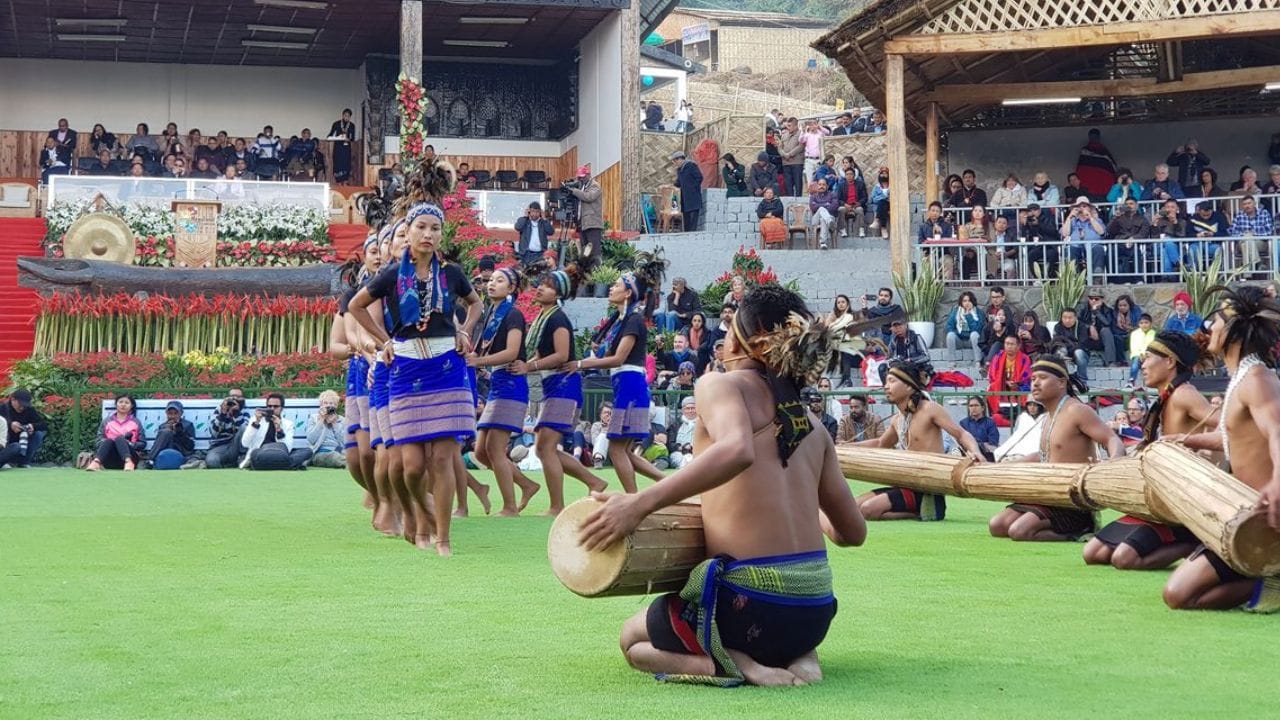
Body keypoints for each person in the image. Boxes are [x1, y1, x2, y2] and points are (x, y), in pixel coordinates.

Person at [580, 284, 865, 687]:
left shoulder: (720, 385)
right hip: (815, 612)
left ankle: (738, 665)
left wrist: (639, 503)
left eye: (728, 327)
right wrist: (803, 503)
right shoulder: (814, 426)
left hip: (750, 609)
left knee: (632, 641)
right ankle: (801, 657)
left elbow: (737, 450)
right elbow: (853, 533)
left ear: (742, 340)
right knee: (783, 623)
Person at [1165, 286, 1280, 611]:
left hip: (1264, 517)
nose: (1208, 327)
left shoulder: (1257, 380)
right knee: (1178, 595)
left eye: (1215, 321)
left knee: (1179, 595)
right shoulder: (1242, 379)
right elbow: (1235, 438)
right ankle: (1263, 576)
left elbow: (1277, 432)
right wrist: (1185, 440)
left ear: (1233, 332)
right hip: (1240, 510)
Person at [988, 357, 1125, 541]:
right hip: (1047, 493)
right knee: (997, 525)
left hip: (1071, 500)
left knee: (1019, 531)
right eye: (1033, 378)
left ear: (1061, 383)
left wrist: (1112, 463)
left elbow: (1112, 438)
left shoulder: (1077, 410)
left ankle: (1083, 529)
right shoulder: (1047, 417)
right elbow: (1045, 455)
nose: (1035, 383)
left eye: (1042, 378)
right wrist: (999, 466)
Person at [515, 264, 608, 515]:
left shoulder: (557, 318)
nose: (540, 288)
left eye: (547, 286)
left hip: (564, 385)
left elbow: (561, 355)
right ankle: (593, 482)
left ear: (558, 294)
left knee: (545, 447)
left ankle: (557, 505)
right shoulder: (545, 318)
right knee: (544, 447)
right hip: (554, 385)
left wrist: (529, 366)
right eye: (541, 283)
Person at [570, 260, 669, 493]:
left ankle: (633, 499)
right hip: (628, 387)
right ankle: (667, 483)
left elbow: (618, 359)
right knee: (622, 450)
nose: (611, 288)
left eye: (616, 285)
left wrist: (581, 363)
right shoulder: (623, 319)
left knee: (616, 450)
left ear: (627, 293)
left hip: (630, 388)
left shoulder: (633, 320)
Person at [856, 360, 984, 520]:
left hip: (926, 488)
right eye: (886, 381)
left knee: (868, 509)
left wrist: (976, 452)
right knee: (856, 506)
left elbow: (961, 434)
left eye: (892, 381)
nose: (886, 386)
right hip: (906, 484)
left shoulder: (929, 409)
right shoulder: (898, 419)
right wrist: (844, 447)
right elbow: (880, 443)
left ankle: (921, 512)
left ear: (909, 386)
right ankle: (915, 512)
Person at [467, 267, 540, 516]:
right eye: (490, 280)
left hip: (510, 385)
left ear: (511, 289)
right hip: (498, 382)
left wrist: (478, 362)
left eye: (500, 281)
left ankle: (510, 506)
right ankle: (526, 484)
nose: (491, 284)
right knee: (481, 452)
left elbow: (512, 352)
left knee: (495, 450)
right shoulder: (492, 314)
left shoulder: (513, 315)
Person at [240, 394, 312, 470]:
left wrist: (279, 429)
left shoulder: (288, 424)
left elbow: (288, 448)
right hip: (261, 454)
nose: (272, 409)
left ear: (282, 408)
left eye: (276, 406)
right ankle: (288, 465)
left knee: (307, 451)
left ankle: (275, 465)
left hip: (280, 454)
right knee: (255, 453)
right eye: (269, 406)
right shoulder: (257, 420)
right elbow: (245, 443)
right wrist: (255, 424)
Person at [86, 395, 145, 472]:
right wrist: (110, 442)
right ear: (116, 404)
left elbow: (142, 443)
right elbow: (98, 441)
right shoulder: (107, 421)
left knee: (120, 439)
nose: (123, 405)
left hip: (131, 456)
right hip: (110, 458)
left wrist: (129, 444)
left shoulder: (136, 422)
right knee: (109, 440)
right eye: (120, 402)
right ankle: (96, 462)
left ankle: (128, 462)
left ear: (131, 406)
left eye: (127, 403)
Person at [568, 165, 604, 268]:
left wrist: (573, 191)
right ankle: (588, 271)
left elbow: (588, 197)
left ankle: (596, 272)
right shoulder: (582, 185)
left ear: (588, 175)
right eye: (579, 177)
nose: (581, 179)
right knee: (585, 252)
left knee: (594, 251)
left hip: (593, 224)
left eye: (582, 176)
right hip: (584, 223)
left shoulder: (595, 185)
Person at [987, 334, 1031, 419]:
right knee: (991, 389)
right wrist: (1005, 382)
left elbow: (1027, 376)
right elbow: (992, 375)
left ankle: (1021, 414)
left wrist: (1017, 384)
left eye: (1012, 344)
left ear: (1018, 346)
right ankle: (997, 413)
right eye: (1007, 344)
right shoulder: (997, 357)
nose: (1009, 346)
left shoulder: (1025, 359)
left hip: (1019, 386)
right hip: (1002, 385)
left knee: (1026, 391)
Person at [0, 389, 47, 469]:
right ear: (13, 400)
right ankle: (5, 461)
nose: (22, 407)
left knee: (38, 434)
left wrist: (33, 426)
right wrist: (10, 424)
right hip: (6, 441)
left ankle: (24, 462)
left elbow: (43, 425)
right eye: (20, 404)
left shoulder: (29, 410)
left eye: (25, 405)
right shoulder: (3, 408)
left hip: (23, 439)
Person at [143, 401, 196, 470]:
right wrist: (168, 430)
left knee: (166, 432)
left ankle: (150, 459)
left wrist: (179, 432)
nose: (173, 416)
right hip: (165, 451)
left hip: (182, 451)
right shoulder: (162, 426)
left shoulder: (188, 425)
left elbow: (190, 447)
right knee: (165, 432)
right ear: (166, 413)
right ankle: (151, 459)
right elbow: (158, 445)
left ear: (181, 413)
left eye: (176, 413)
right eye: (170, 413)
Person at [1061, 196, 1107, 274]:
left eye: (1084, 206)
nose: (1082, 208)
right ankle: (1074, 276)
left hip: (1093, 245)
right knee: (1069, 250)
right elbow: (1065, 234)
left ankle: (1097, 275)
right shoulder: (1072, 221)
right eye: (1079, 206)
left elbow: (1101, 232)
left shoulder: (1096, 220)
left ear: (1089, 208)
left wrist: (1090, 218)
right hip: (1075, 246)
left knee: (1099, 249)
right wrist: (1069, 217)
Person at [1229, 195, 1275, 272]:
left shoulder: (1264, 213)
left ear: (1254, 203)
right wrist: (1245, 235)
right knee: (1247, 239)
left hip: (1260, 242)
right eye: (1245, 204)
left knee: (1247, 242)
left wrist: (1254, 234)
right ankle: (1258, 264)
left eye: (1249, 203)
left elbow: (1269, 230)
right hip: (1242, 241)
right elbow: (1232, 231)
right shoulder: (1239, 215)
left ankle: (1247, 275)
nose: (1247, 206)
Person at [878, 319, 930, 385]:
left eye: (900, 327)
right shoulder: (893, 341)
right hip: (899, 366)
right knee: (882, 367)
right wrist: (892, 361)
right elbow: (888, 357)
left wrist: (911, 360)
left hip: (915, 366)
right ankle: (889, 389)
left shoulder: (916, 337)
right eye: (895, 328)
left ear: (906, 325)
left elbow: (926, 356)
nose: (898, 330)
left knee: (907, 369)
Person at [994, 396, 1045, 461]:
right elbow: (1017, 434)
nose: (1032, 408)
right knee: (1000, 452)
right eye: (1030, 405)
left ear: (1040, 407)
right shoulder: (1022, 417)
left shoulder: (1045, 418)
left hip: (1036, 444)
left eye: (1035, 405)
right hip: (1021, 443)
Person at [305, 390, 347, 468]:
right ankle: (352, 465)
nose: (328, 406)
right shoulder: (314, 418)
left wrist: (335, 424)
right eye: (325, 403)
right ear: (321, 405)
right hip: (320, 452)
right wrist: (321, 421)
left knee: (352, 456)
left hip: (339, 451)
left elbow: (344, 443)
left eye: (331, 404)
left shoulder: (342, 420)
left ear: (336, 406)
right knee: (335, 457)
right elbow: (311, 439)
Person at [1077, 289, 1118, 365]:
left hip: (1101, 337)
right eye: (1091, 298)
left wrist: (1096, 312)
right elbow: (1078, 322)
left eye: (1096, 299)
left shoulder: (1108, 311)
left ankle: (1111, 361)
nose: (1093, 301)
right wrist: (1089, 327)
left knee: (1106, 331)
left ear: (1102, 300)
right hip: (1087, 336)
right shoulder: (1083, 309)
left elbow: (1107, 323)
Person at [1074, 127, 1117, 200]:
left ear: (1098, 137)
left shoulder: (1104, 151)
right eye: (1091, 136)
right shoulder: (1085, 151)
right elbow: (1080, 169)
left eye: (1095, 136)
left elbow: (1112, 169)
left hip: (1103, 187)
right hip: (1087, 187)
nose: (1093, 138)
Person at [205, 396, 247, 469]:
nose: (234, 400)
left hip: (237, 446)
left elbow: (245, 431)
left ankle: (242, 457)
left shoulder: (245, 411)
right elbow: (214, 433)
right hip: (219, 446)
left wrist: (236, 414)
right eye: (232, 397)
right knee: (212, 461)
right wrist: (223, 414)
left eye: (238, 397)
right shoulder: (219, 410)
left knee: (245, 427)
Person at [1052, 307, 1090, 386]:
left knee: (1078, 352)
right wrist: (1069, 347)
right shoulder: (1058, 327)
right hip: (1065, 353)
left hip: (1081, 354)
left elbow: (1082, 344)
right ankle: (1062, 380)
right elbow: (1057, 342)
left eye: (1070, 318)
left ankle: (1082, 381)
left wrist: (1069, 348)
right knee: (1059, 352)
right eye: (1065, 318)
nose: (1067, 320)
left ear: (1075, 318)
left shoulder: (1082, 327)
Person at [1021, 203, 1060, 280]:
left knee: (1052, 255)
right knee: (1030, 256)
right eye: (1030, 211)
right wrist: (1025, 225)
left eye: (1035, 210)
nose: (1033, 212)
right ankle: (1038, 278)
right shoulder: (1029, 221)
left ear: (1039, 210)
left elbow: (1052, 231)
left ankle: (1048, 276)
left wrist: (1039, 224)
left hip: (1050, 246)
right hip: (1038, 247)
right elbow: (1024, 236)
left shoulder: (1048, 218)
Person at [945, 290, 984, 358]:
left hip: (972, 341)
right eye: (964, 301)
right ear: (961, 302)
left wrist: (969, 315)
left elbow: (977, 329)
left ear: (972, 302)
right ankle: (952, 363)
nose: (967, 303)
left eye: (969, 301)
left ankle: (978, 362)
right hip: (959, 341)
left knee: (974, 334)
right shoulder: (956, 312)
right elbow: (949, 326)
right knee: (950, 335)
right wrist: (958, 333)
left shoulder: (978, 312)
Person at [960, 395, 1000, 461]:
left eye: (976, 405)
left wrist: (977, 445)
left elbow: (993, 442)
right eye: (971, 406)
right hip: (968, 455)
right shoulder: (963, 423)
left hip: (987, 456)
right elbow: (962, 442)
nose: (973, 408)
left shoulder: (990, 422)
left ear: (982, 408)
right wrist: (982, 444)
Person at [671, 151, 704, 231]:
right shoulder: (680, 170)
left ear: (680, 159)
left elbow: (699, 177)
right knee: (686, 217)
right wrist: (672, 185)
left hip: (693, 196)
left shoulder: (691, 166)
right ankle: (686, 234)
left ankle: (692, 235)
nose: (675, 163)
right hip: (684, 197)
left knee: (693, 218)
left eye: (675, 161)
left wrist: (692, 188)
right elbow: (679, 182)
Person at [514, 202, 553, 266]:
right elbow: (517, 227)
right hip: (526, 254)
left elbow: (550, 232)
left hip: (540, 254)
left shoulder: (543, 222)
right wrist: (525, 216)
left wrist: (544, 219)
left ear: (540, 212)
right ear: (529, 211)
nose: (534, 214)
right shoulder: (524, 221)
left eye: (537, 212)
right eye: (532, 211)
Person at [835, 168, 867, 238]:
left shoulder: (860, 184)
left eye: (851, 174)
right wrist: (844, 204)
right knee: (840, 209)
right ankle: (843, 230)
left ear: (854, 175)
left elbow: (865, 197)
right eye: (847, 174)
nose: (849, 176)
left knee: (860, 209)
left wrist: (859, 203)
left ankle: (861, 229)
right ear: (845, 176)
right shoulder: (841, 185)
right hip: (846, 206)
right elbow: (838, 199)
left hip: (856, 205)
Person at [328, 108, 357, 184]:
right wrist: (336, 137)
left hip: (346, 149)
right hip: (338, 148)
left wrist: (348, 139)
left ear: (350, 117)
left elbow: (353, 138)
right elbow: (330, 135)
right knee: (338, 165)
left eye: (348, 116)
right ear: (342, 115)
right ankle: (338, 183)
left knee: (346, 165)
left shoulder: (352, 125)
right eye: (345, 115)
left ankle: (345, 183)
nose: (346, 117)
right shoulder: (336, 124)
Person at [808, 179, 838, 250]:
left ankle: (823, 243)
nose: (821, 186)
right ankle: (829, 222)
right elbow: (813, 207)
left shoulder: (832, 195)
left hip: (830, 217)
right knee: (821, 209)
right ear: (817, 186)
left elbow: (834, 207)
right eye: (820, 184)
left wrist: (818, 205)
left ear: (827, 186)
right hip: (816, 220)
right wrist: (826, 204)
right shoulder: (813, 196)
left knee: (823, 219)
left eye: (823, 185)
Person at [1127, 313, 1156, 387]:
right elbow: (1134, 347)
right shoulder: (1135, 334)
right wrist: (1141, 354)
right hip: (1138, 355)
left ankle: (1153, 382)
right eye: (1141, 323)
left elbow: (1154, 346)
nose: (1144, 325)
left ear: (1151, 324)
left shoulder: (1154, 334)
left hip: (1150, 355)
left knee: (1154, 364)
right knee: (1135, 365)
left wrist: (1147, 354)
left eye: (1146, 323)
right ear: (1138, 324)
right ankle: (1131, 380)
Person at [778, 118, 804, 196]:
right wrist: (783, 154)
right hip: (786, 163)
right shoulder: (784, 135)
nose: (788, 127)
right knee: (788, 184)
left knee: (798, 182)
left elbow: (801, 146)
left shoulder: (801, 134)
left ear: (796, 126)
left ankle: (799, 199)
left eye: (790, 126)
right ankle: (790, 199)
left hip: (797, 162)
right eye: (787, 126)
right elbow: (779, 147)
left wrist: (790, 154)